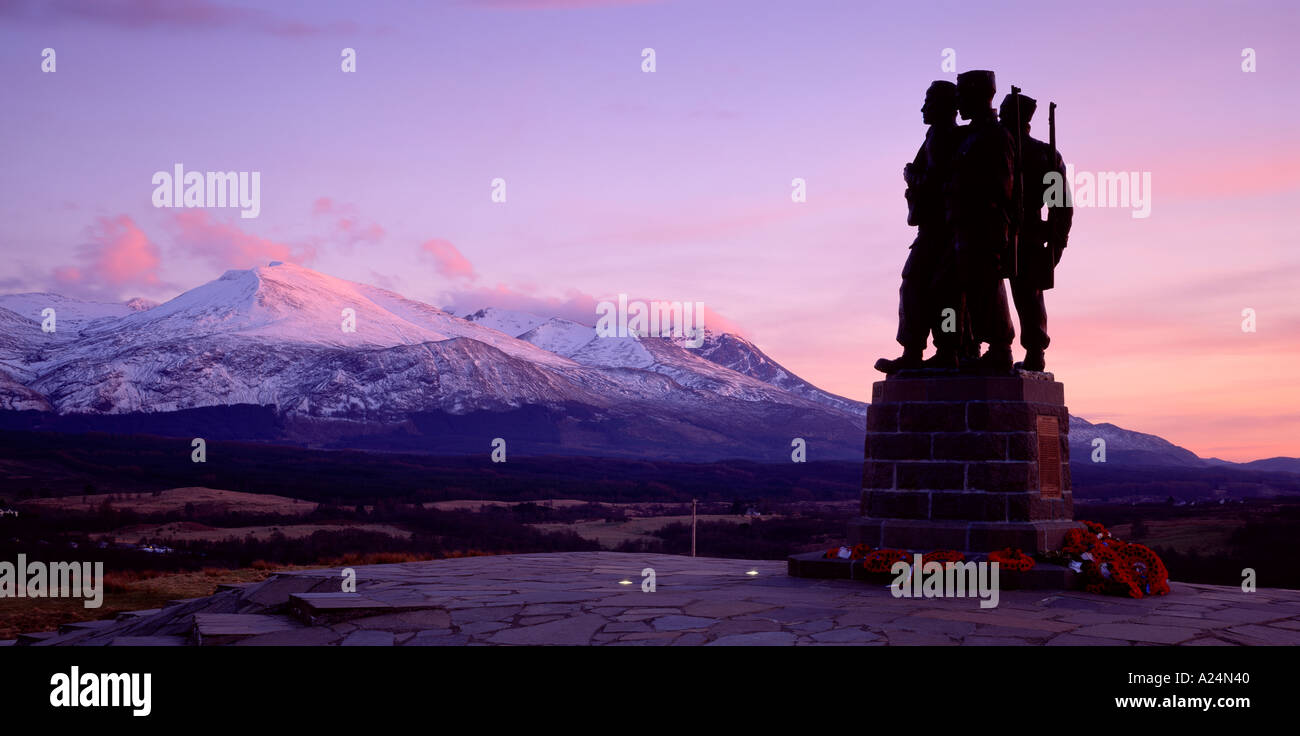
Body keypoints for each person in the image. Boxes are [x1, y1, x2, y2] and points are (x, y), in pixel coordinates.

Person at [875, 81, 964, 374]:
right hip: (939, 229)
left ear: (945, 106)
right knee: (935, 289)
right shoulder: (939, 136)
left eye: (929, 101)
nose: (923, 108)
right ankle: (936, 349)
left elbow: (939, 184)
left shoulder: (942, 137)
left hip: (940, 230)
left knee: (921, 286)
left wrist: (911, 176)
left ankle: (924, 350)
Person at [946, 70, 1016, 374]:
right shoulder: (970, 135)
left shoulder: (995, 135)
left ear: (977, 95)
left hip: (983, 224)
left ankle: (1000, 347)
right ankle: (961, 347)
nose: (958, 102)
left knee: (987, 286)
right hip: (963, 224)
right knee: (960, 288)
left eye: (962, 95)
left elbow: (1002, 185)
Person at [999, 93, 1073, 372]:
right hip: (1005, 230)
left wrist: (1055, 246)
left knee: (1028, 294)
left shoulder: (1043, 154)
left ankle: (1033, 352)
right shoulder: (1004, 147)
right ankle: (1006, 350)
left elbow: (1060, 206)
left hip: (1025, 232)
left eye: (1005, 112)